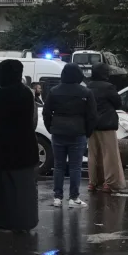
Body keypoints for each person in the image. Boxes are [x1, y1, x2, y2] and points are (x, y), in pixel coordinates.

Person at [0, 59, 39, 232]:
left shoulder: (2, 94)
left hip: (4, 149)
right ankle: (26, 220)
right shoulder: (26, 93)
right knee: (24, 189)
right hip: (26, 147)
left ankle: (5, 220)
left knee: (4, 188)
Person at [43, 63, 97, 208]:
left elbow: (46, 112)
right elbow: (92, 115)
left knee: (58, 166)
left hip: (58, 131)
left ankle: (57, 197)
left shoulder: (54, 91)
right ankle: (74, 197)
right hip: (78, 132)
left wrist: (51, 128)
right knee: (75, 167)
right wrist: (87, 132)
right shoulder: (86, 92)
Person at [87, 63, 126, 193]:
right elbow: (118, 103)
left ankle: (93, 182)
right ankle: (109, 183)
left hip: (92, 125)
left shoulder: (89, 86)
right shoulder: (108, 87)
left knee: (93, 154)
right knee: (109, 154)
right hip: (107, 124)